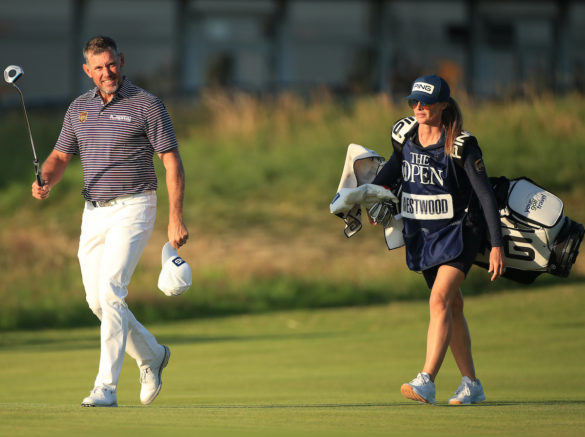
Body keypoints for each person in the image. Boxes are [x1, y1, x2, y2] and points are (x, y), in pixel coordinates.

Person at [31, 36, 189, 407]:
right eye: (98, 68)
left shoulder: (147, 105)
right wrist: (44, 181)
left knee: (112, 291)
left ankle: (106, 387)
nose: (107, 73)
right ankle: (152, 354)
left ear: (122, 60)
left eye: (112, 64)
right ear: (88, 71)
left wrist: (175, 218)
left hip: (135, 206)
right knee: (97, 302)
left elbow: (171, 162)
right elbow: (58, 157)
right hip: (94, 212)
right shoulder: (78, 109)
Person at [371, 74, 505, 405]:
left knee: (439, 300)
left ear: (443, 105)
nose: (418, 107)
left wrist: (497, 245)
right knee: (452, 306)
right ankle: (472, 385)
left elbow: (485, 195)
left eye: (425, 103)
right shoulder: (403, 134)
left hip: (462, 231)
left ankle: (426, 380)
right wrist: (369, 195)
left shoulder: (461, 144)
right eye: (413, 101)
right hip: (422, 234)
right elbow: (392, 170)